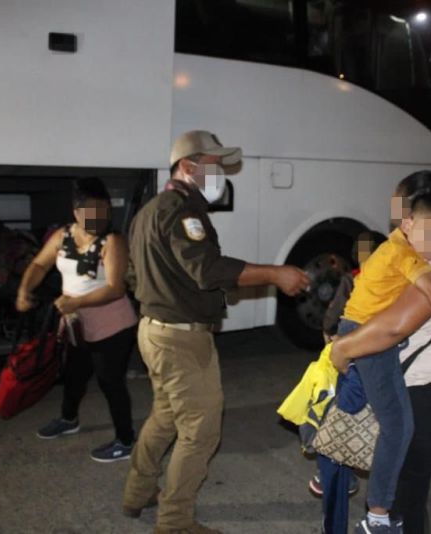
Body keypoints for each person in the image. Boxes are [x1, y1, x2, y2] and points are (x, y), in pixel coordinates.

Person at [122, 130, 310, 534]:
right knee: (201, 431)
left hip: (152, 331)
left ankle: (138, 493)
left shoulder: (148, 211)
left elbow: (133, 275)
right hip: (180, 339)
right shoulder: (182, 211)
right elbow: (207, 270)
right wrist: (275, 273)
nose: (221, 173)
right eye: (214, 165)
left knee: (166, 416)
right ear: (189, 167)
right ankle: (174, 522)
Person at [330, 171, 431, 533]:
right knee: (408, 500)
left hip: (426, 400)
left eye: (407, 215)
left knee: (404, 503)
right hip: (423, 394)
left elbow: (393, 327)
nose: (400, 225)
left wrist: (343, 349)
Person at [16, 177, 139, 462]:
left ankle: (125, 439)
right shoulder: (63, 236)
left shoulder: (113, 241)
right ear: (77, 212)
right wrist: (24, 290)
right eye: (92, 212)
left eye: (104, 211)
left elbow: (115, 288)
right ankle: (69, 420)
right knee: (74, 375)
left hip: (112, 324)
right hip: (76, 324)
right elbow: (39, 264)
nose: (99, 217)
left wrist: (77, 301)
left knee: (110, 381)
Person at [310, 230, 385, 499]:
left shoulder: (351, 280)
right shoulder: (391, 283)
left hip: (348, 354)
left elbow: (331, 318)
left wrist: (330, 339)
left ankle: (332, 468)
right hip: (378, 355)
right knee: (372, 413)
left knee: (340, 408)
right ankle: (371, 465)